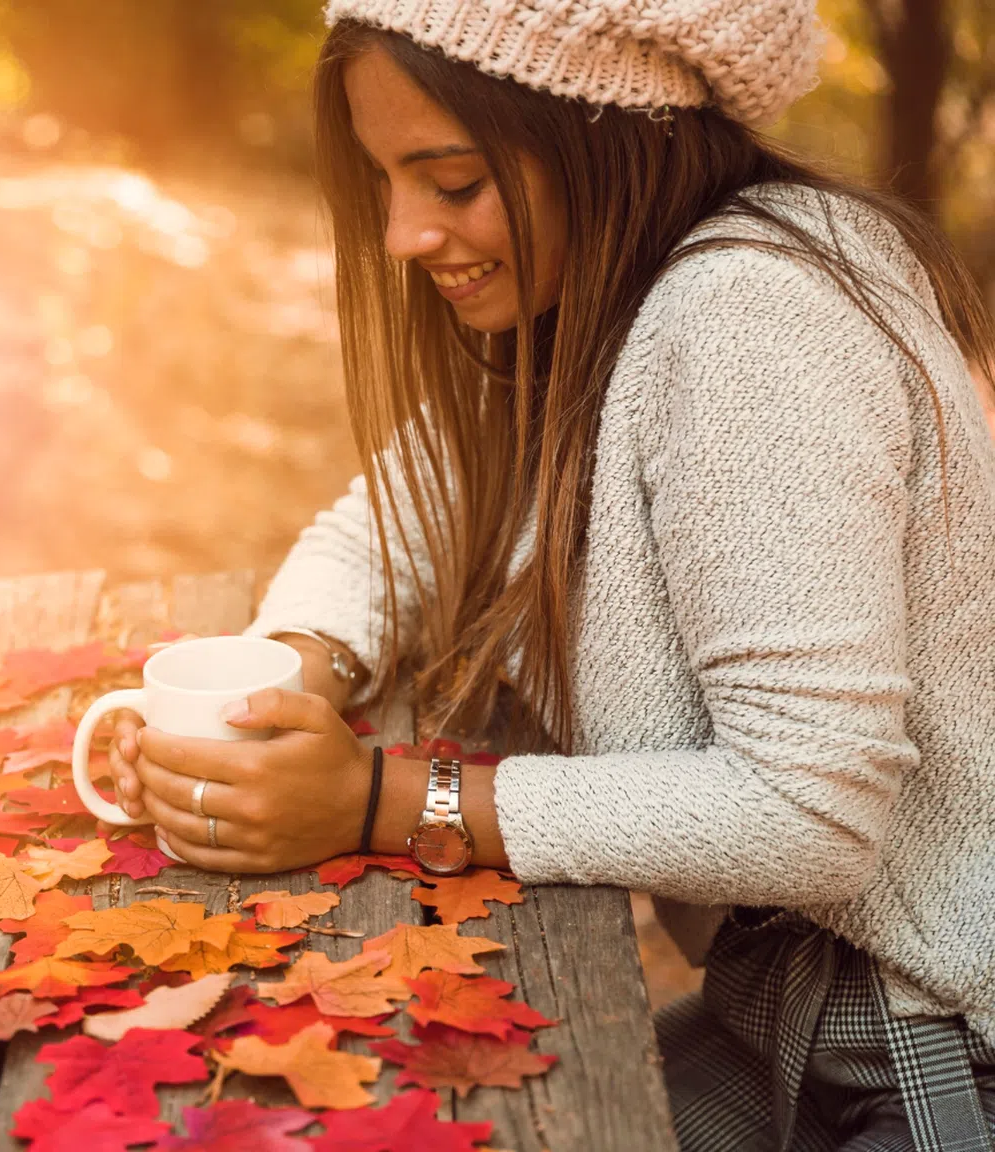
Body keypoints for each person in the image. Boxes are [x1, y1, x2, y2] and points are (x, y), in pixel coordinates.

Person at [101, 1, 995, 1147]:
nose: (403, 237)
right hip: (782, 1017)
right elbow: (388, 530)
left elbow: (807, 807)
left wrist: (380, 801)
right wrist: (271, 691)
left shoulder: (751, 317)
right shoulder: (584, 309)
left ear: (609, 134)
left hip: (936, 1050)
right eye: (389, 183)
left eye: (452, 183)